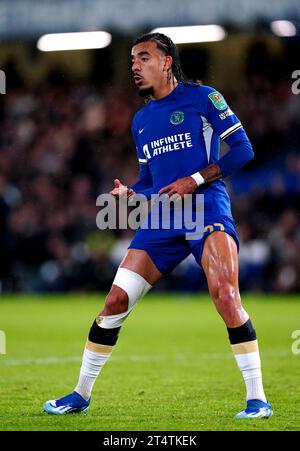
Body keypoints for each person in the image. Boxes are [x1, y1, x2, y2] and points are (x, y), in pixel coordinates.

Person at [44, 33, 272, 419]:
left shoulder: (204, 99)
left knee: (225, 296)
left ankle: (257, 400)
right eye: (132, 60)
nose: (135, 65)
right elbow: (150, 178)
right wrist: (132, 193)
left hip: (205, 208)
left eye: (143, 57)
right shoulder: (141, 120)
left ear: (167, 62)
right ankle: (80, 394)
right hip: (165, 216)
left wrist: (194, 180)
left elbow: (244, 149)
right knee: (115, 301)